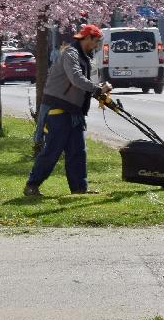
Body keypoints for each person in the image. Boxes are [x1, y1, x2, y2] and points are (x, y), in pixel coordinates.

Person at [24, 24, 111, 197]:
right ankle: (32, 185)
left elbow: (86, 85)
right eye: (96, 41)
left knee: (78, 152)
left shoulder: (85, 57)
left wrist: (100, 91)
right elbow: (76, 78)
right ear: (87, 38)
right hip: (58, 110)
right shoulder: (70, 54)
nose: (97, 46)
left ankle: (79, 189)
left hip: (74, 113)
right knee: (52, 151)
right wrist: (97, 89)